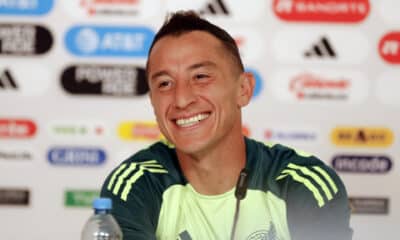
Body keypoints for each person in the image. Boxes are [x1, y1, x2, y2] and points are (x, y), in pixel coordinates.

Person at [100, 11, 353, 240]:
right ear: (152, 101)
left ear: (243, 89)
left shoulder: (304, 183)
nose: (181, 99)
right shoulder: (134, 184)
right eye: (165, 83)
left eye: (200, 77)